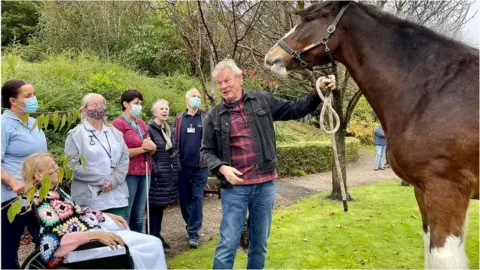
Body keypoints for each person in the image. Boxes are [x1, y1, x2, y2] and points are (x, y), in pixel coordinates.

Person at [201, 59, 329, 269]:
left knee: (259, 245)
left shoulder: (262, 100)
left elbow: (295, 109)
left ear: (240, 77)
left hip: (264, 186)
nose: (223, 86)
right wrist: (222, 167)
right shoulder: (213, 116)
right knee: (228, 245)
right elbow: (206, 151)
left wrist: (317, 93)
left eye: (227, 80)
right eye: (219, 83)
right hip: (236, 189)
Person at [22, 152, 167, 269]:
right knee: (151, 245)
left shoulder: (56, 192)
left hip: (87, 237)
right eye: (52, 166)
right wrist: (92, 235)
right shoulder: (43, 202)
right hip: (78, 249)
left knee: (148, 242)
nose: (57, 169)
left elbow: (77, 213)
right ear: (39, 175)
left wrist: (103, 215)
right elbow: (54, 238)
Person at [1, 79, 47, 269]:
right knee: (8, 248)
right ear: (13, 100)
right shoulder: (4, 124)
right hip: (12, 198)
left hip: (37, 195)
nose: (33, 99)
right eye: (27, 96)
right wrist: (12, 182)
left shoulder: (35, 123)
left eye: (34, 94)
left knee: (46, 241)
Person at [64, 93, 130, 218]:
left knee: (119, 233)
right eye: (94, 105)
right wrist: (102, 180)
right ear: (84, 109)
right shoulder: (76, 134)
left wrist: (114, 180)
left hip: (116, 193)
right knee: (96, 235)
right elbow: (72, 165)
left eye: (102, 105)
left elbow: (124, 157)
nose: (99, 108)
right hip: (90, 196)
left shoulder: (114, 132)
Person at [112, 89, 156, 233]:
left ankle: (139, 243)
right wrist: (143, 149)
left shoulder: (142, 123)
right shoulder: (118, 124)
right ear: (125, 104)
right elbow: (120, 153)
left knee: (139, 214)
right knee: (127, 212)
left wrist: (151, 147)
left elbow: (152, 148)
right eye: (136, 103)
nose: (139, 106)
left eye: (140, 103)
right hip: (129, 174)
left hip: (145, 172)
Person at [173, 88, 208, 248]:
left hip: (200, 167)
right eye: (194, 96)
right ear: (186, 100)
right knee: (184, 200)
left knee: (197, 198)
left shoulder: (206, 117)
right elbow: (174, 141)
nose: (197, 99)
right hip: (183, 167)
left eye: (199, 97)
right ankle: (190, 224)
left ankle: (193, 233)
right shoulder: (179, 119)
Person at [147, 99, 180, 249]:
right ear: (154, 112)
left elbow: (173, 151)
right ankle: (151, 238)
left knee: (160, 207)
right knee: (153, 208)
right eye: (161, 109)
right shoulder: (149, 129)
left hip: (168, 174)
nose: (165, 111)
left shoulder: (167, 129)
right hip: (156, 175)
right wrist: (156, 169)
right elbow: (148, 154)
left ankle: (157, 235)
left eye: (167, 108)